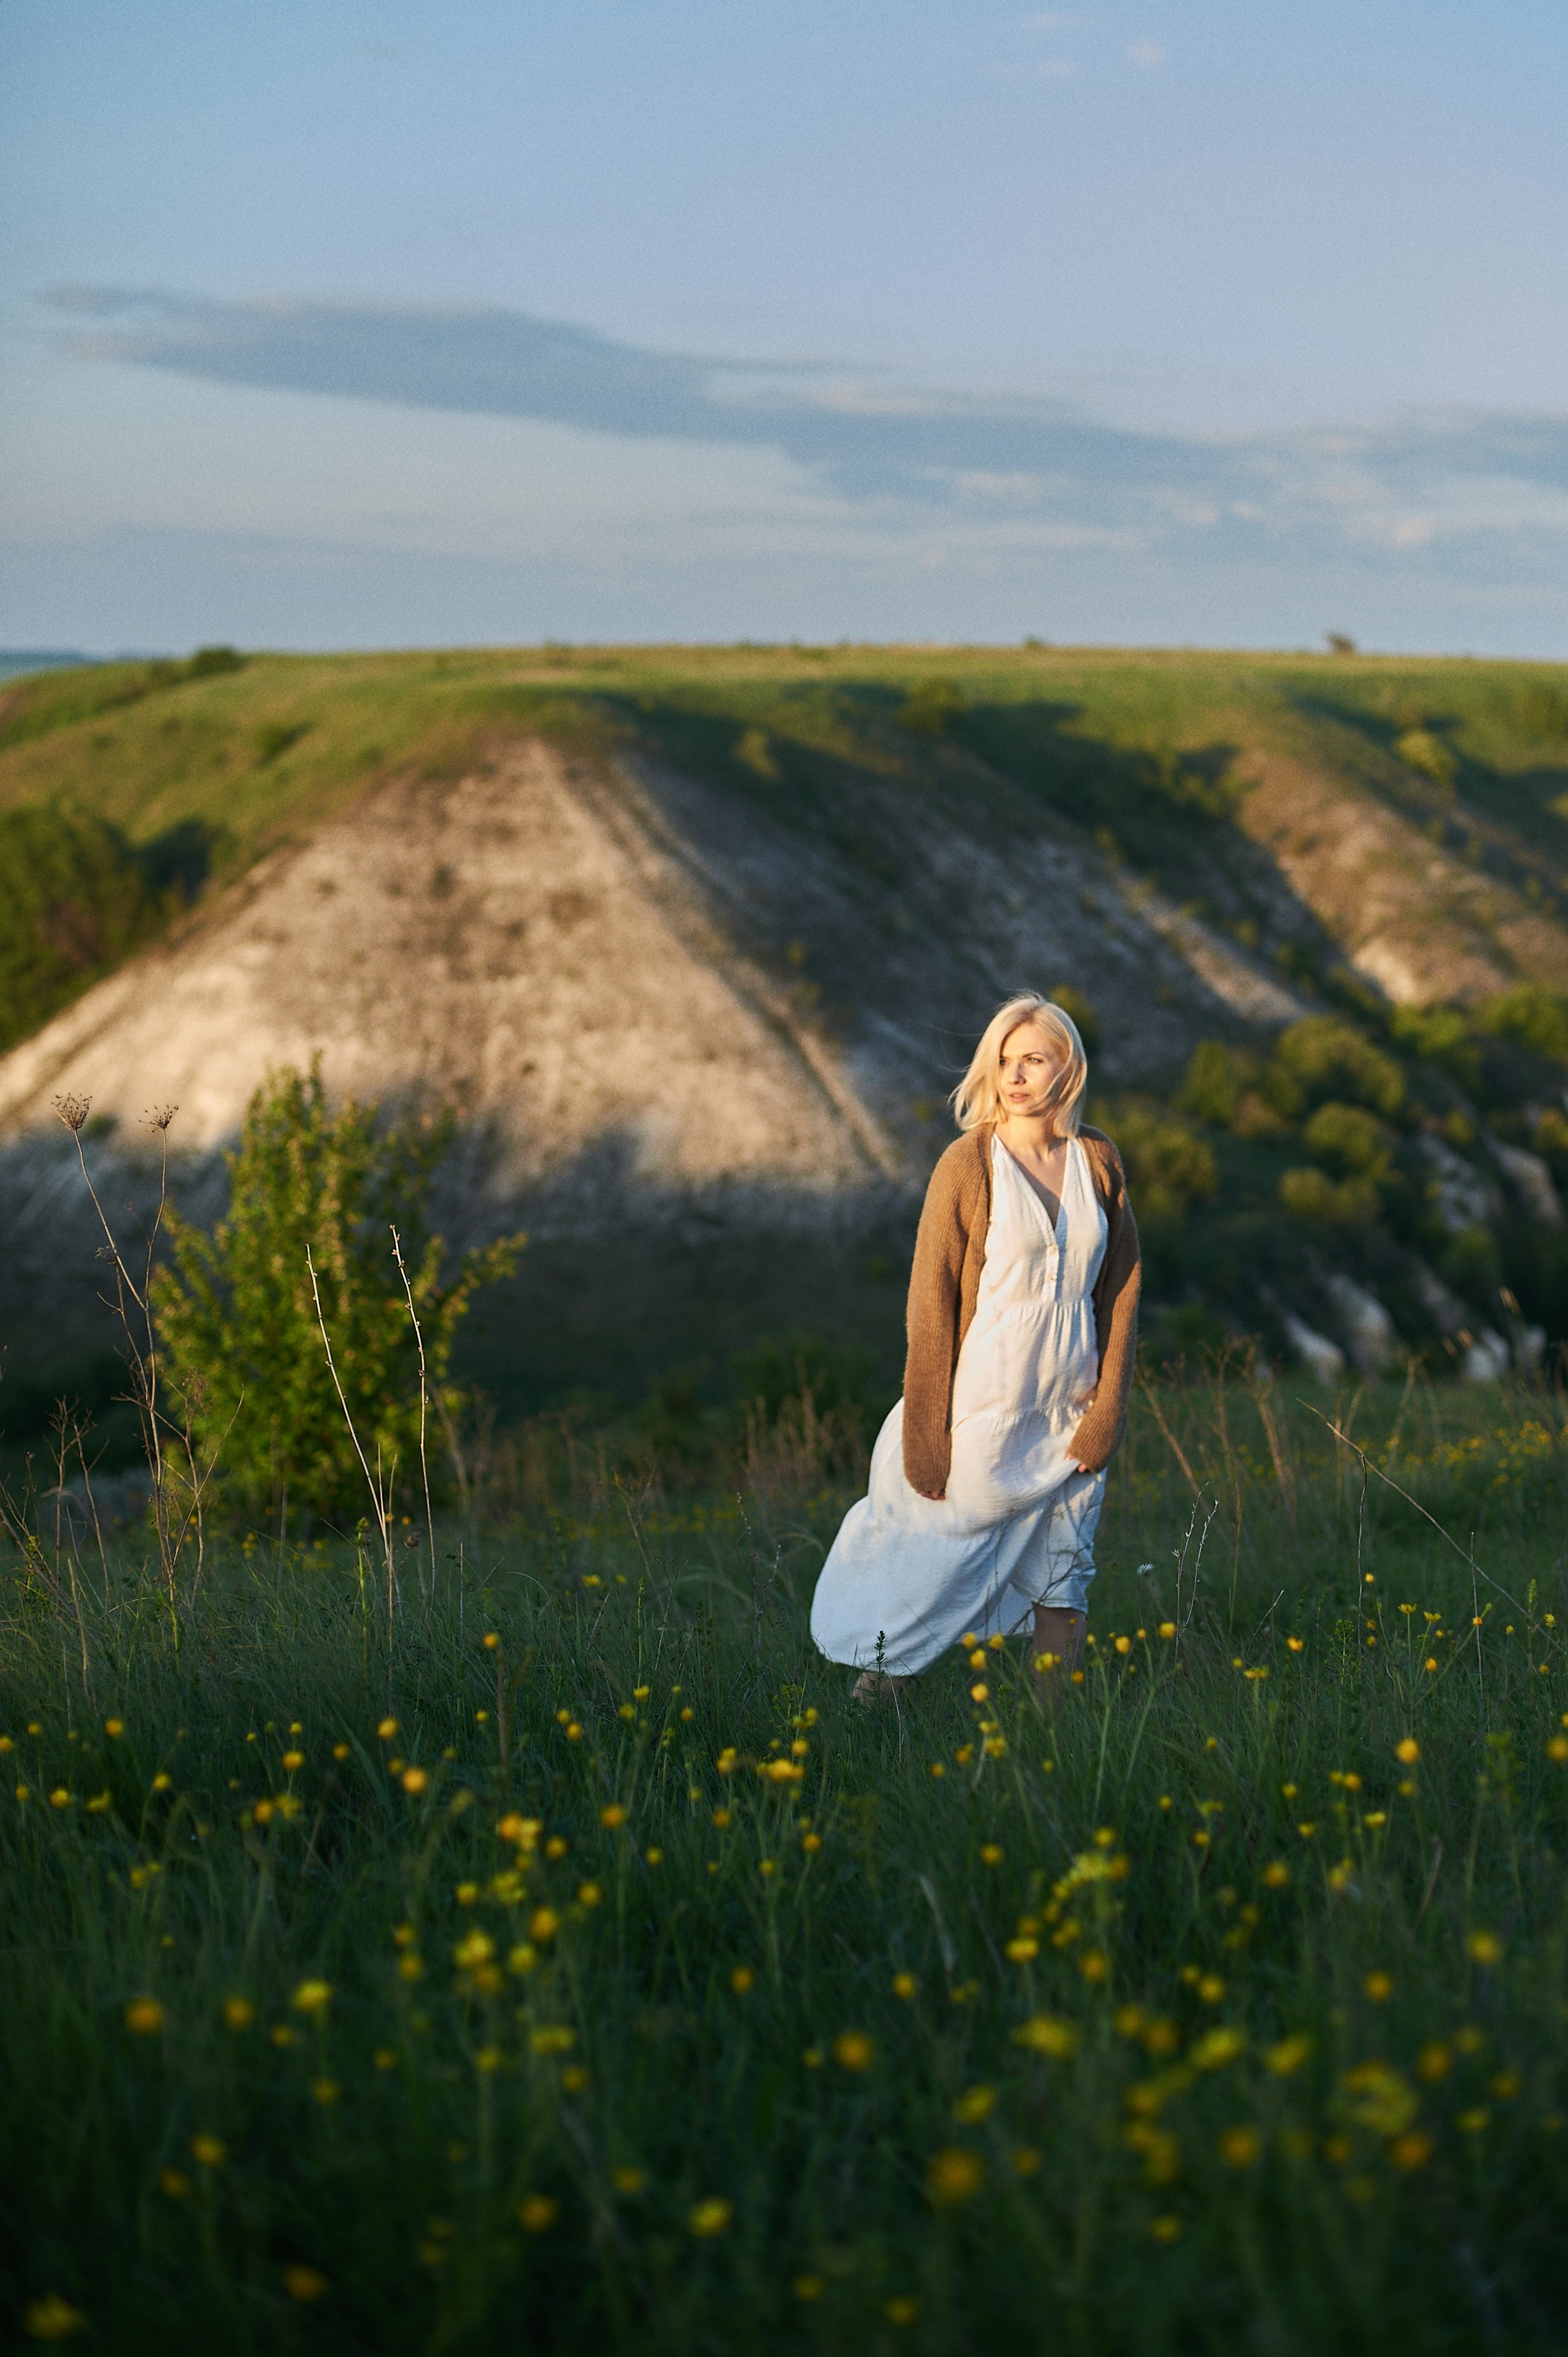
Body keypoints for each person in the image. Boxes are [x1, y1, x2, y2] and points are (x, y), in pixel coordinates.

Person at [810, 992, 1140, 1699]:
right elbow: (930, 1305)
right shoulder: (969, 1163)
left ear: (1068, 1069)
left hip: (1069, 1412)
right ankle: (873, 1698)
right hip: (982, 1410)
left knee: (1064, 1577)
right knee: (937, 1567)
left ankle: (1049, 1745)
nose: (1015, 1075)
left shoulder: (1097, 1160)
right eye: (1003, 1060)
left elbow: (1121, 1289)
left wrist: (1108, 1408)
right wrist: (926, 1432)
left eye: (1033, 1059)